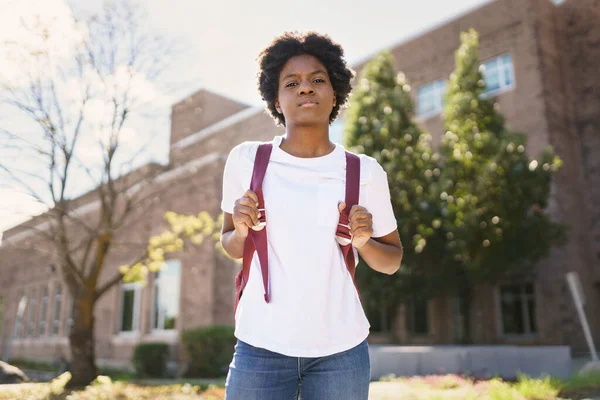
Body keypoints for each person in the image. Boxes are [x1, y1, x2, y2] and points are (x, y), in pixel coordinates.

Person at [220, 31, 403, 400]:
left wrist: (365, 244)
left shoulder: (364, 172)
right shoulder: (247, 161)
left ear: (335, 93)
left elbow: (392, 261)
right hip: (260, 345)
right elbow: (230, 246)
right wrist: (239, 231)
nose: (306, 89)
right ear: (276, 97)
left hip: (342, 350)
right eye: (292, 82)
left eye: (318, 80)